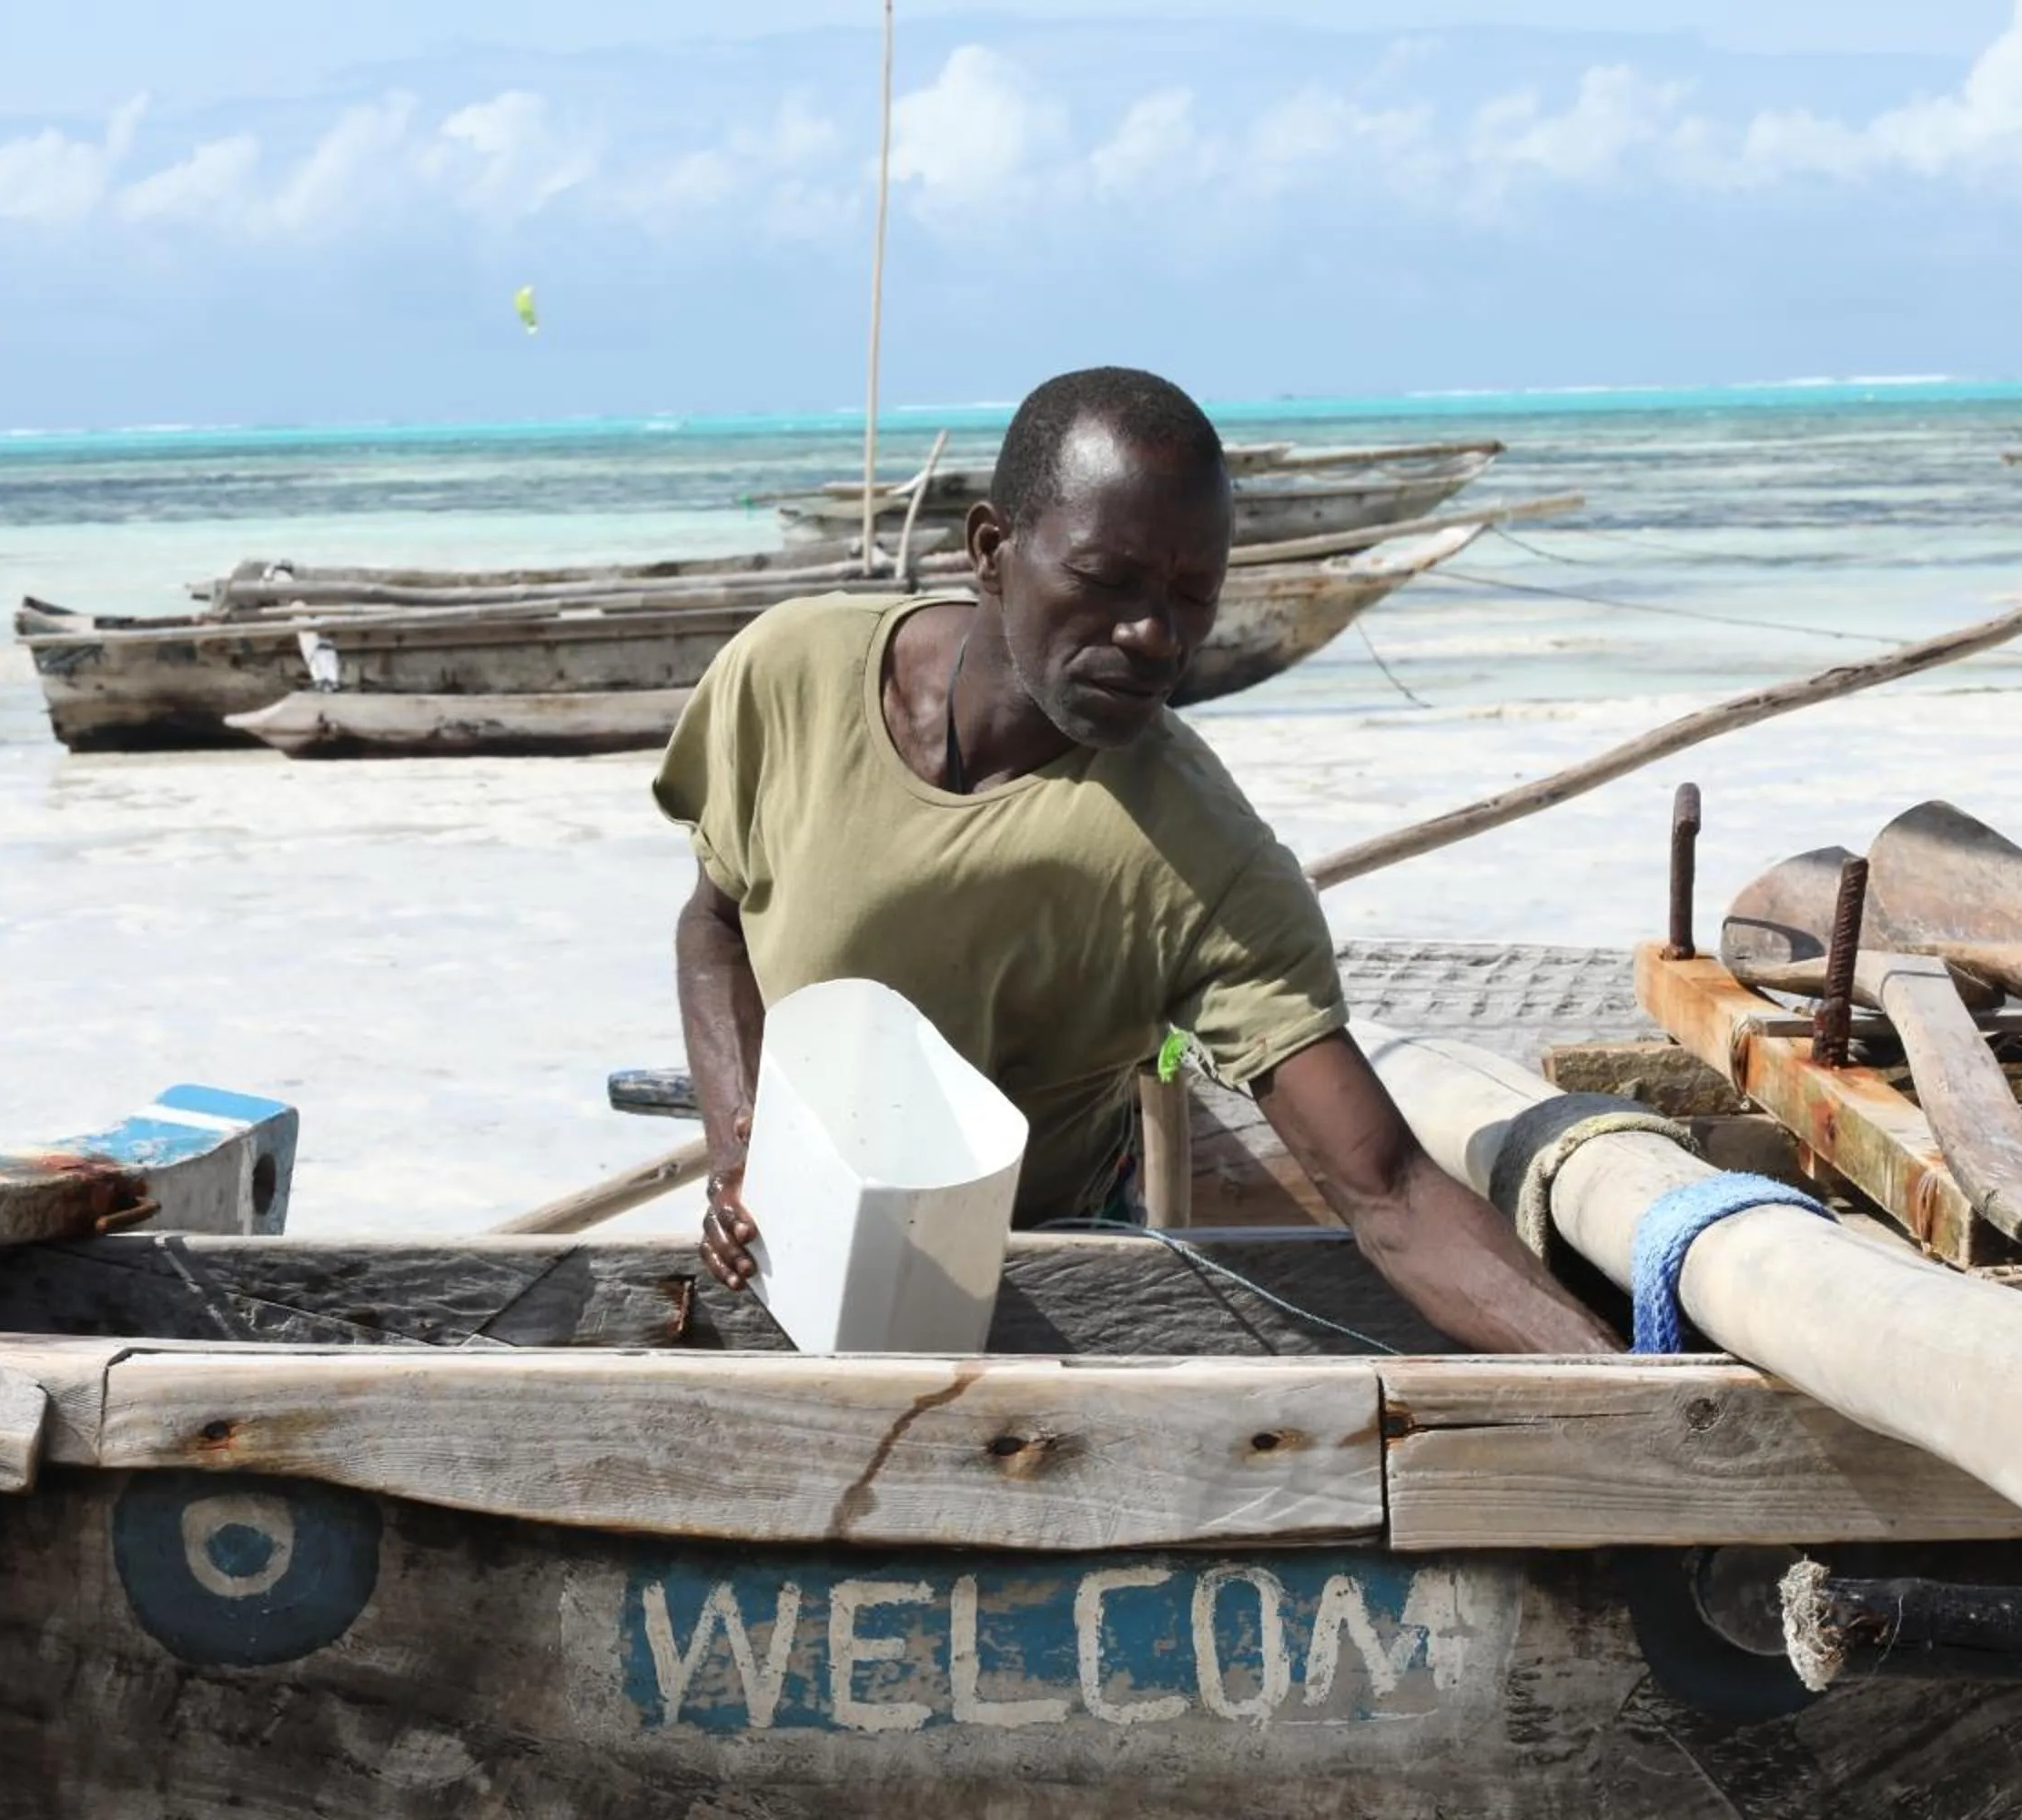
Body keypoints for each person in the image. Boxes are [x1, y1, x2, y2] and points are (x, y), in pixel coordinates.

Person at [654, 367, 1615, 1353]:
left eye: (1194, 594)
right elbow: (716, 922)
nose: (1155, 634)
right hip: (795, 1251)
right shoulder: (790, 674)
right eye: (1108, 580)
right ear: (992, 549)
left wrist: (1629, 1395)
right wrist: (750, 1151)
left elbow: (1389, 1191)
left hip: (1049, 1274)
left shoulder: (1201, 860)